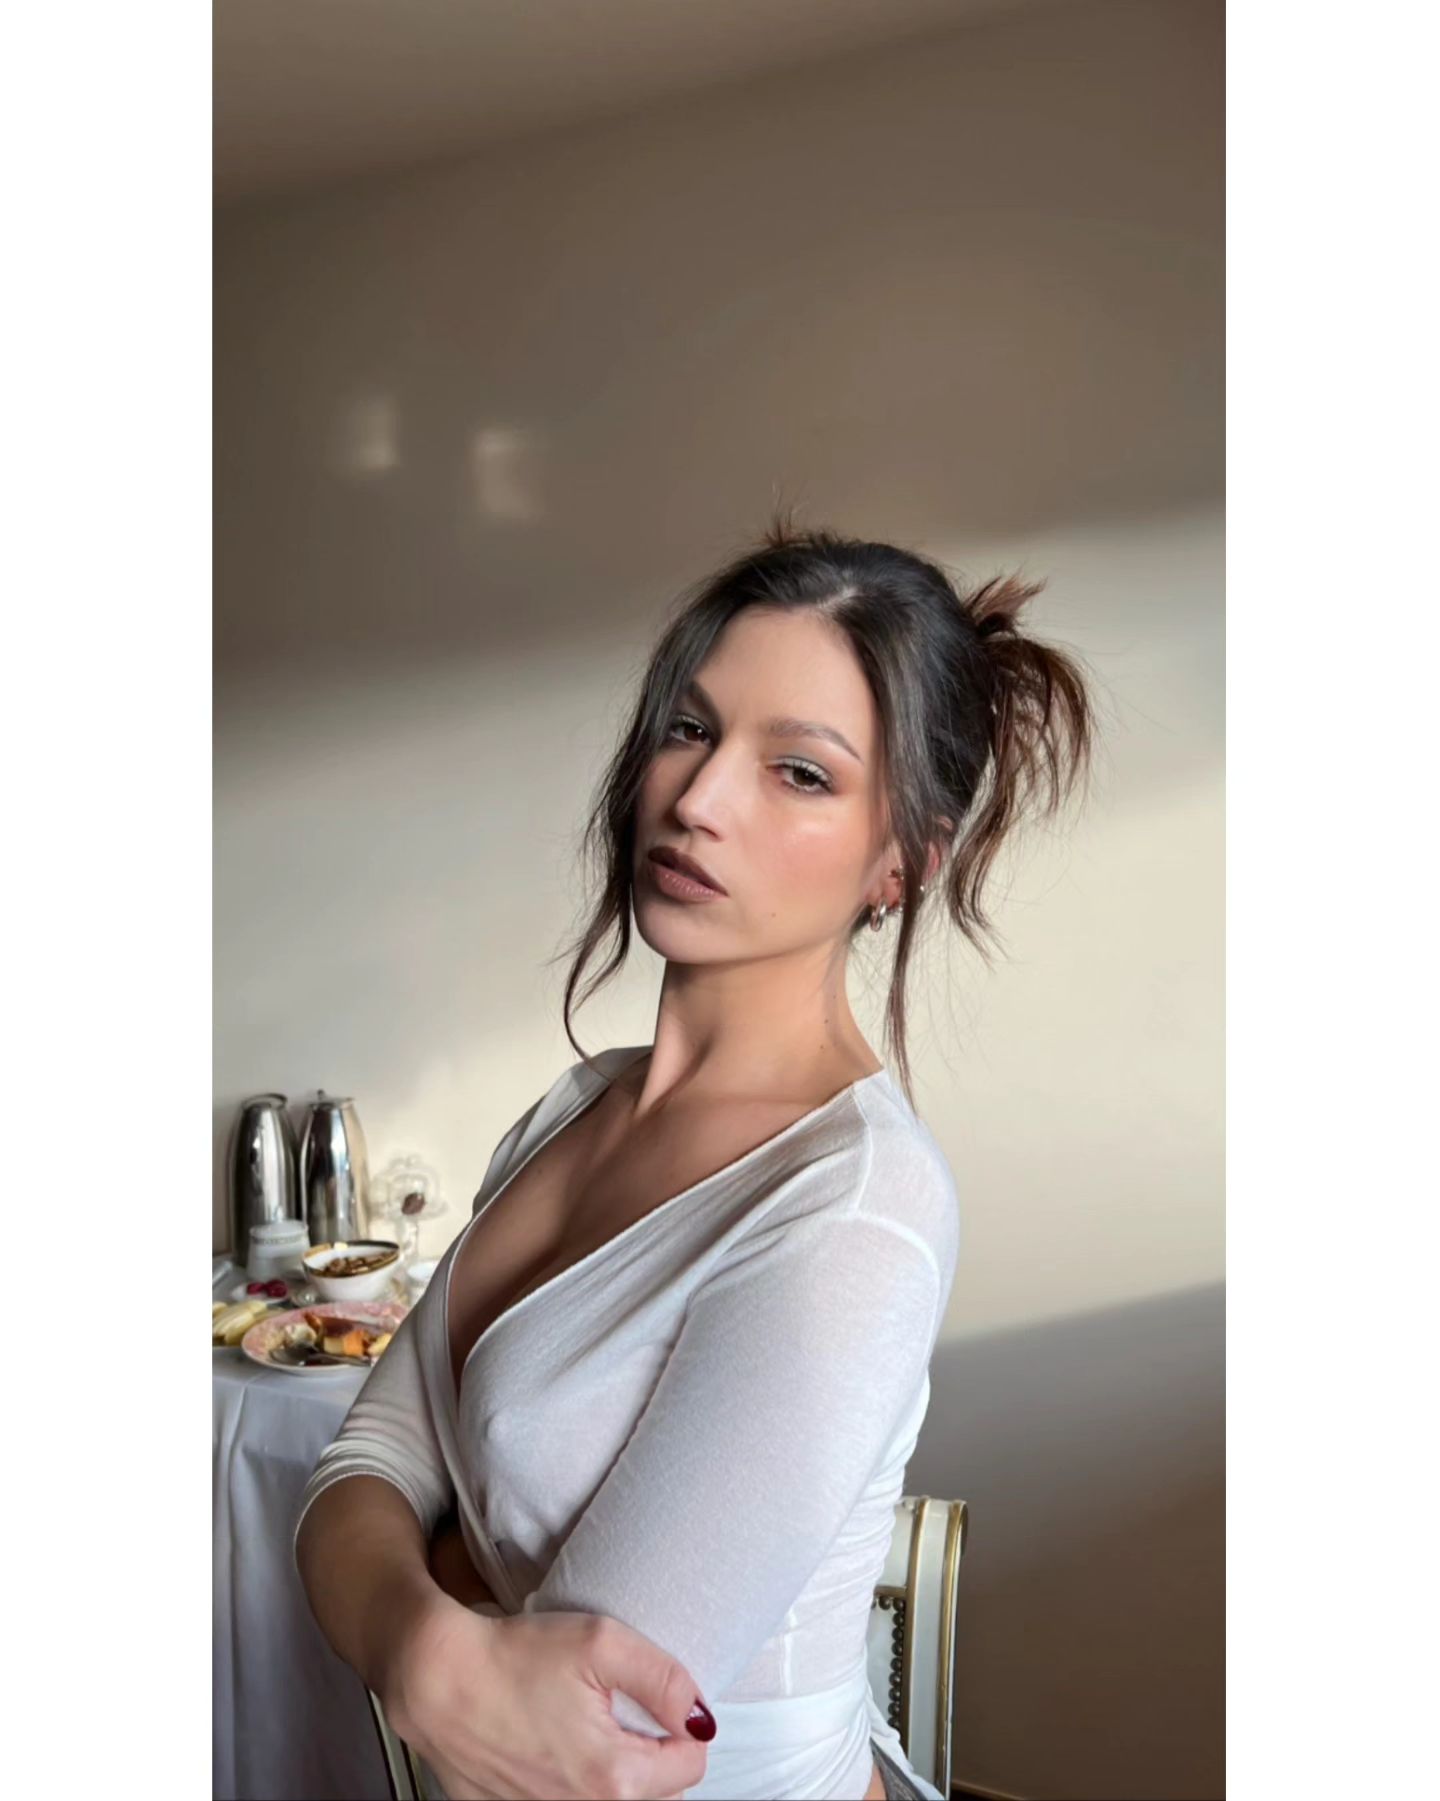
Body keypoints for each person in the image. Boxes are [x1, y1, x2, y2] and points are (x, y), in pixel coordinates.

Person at [295, 513, 1097, 1800]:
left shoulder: (858, 1209)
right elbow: (357, 1469)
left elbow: (587, 1722)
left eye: (801, 773)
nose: (699, 799)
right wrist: (429, 1649)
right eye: (689, 727)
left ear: (903, 861)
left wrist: (403, 1590)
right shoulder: (571, 1109)